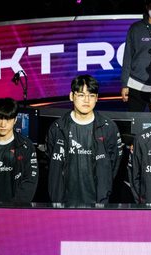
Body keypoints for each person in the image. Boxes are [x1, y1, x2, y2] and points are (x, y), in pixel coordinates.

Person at [46, 74, 124, 205]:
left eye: (91, 95)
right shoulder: (58, 127)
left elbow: (114, 162)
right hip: (63, 202)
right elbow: (50, 159)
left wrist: (104, 190)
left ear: (97, 98)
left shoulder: (108, 127)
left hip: (98, 203)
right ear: (72, 96)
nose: (86, 100)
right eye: (81, 95)